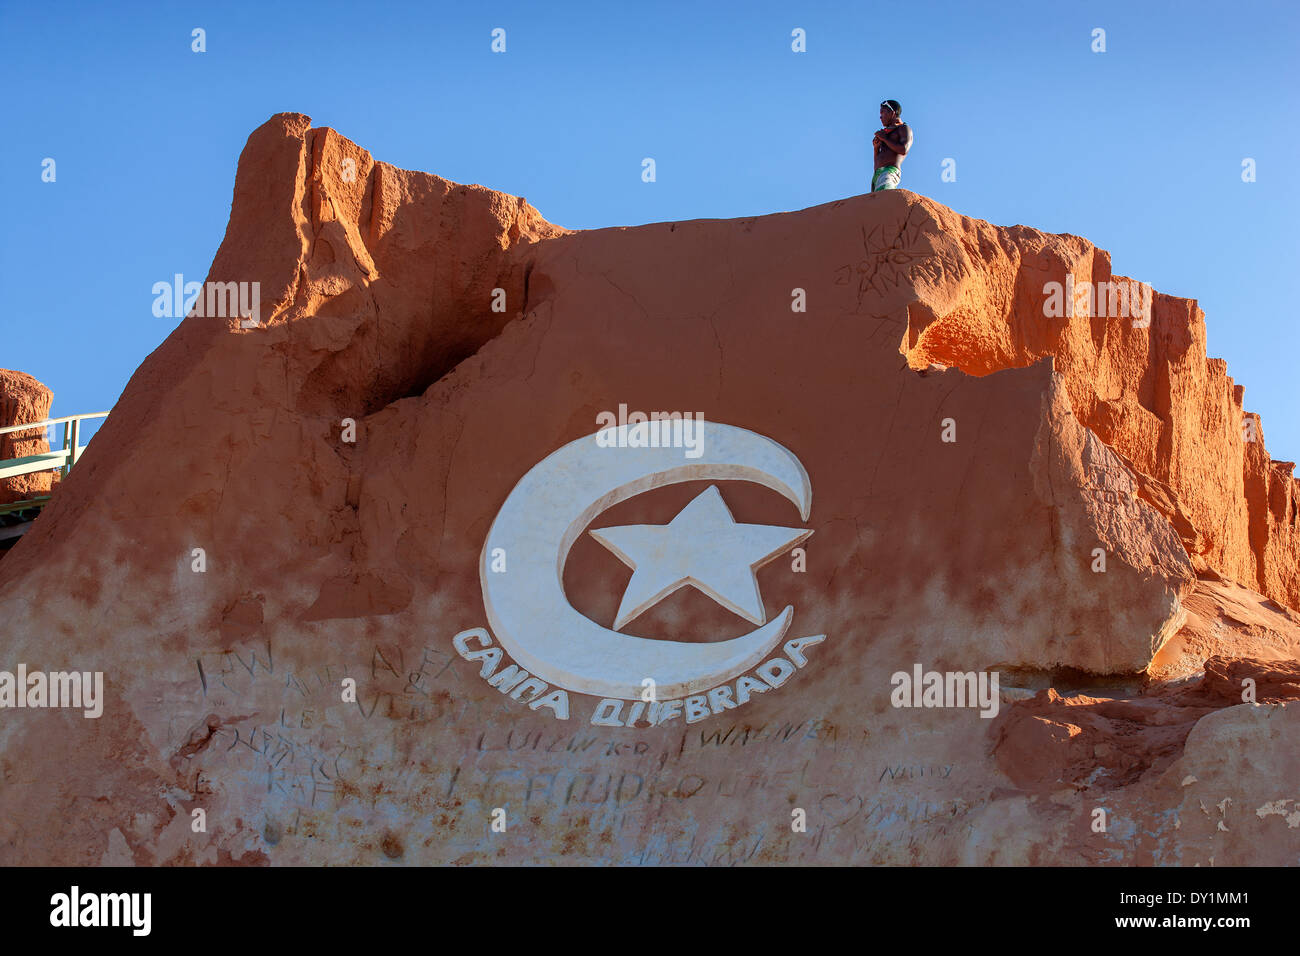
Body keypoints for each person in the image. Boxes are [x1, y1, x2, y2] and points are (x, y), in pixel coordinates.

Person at [871, 99, 912, 192]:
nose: (880, 117)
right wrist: (876, 148)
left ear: (892, 113)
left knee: (882, 200)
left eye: (882, 112)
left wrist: (885, 138)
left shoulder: (903, 128)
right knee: (875, 204)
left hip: (889, 172)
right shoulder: (887, 132)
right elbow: (877, 163)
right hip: (877, 174)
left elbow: (904, 149)